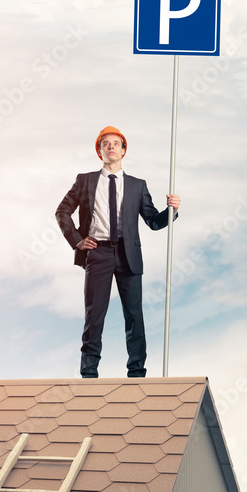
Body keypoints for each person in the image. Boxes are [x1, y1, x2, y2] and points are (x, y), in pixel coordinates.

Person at [55, 126, 180, 378]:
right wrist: (78, 241)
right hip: (97, 254)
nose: (110, 146)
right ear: (99, 151)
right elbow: (62, 211)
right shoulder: (85, 180)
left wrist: (172, 211)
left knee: (134, 316)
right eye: (105, 144)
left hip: (128, 255)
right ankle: (89, 373)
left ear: (124, 150)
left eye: (115, 143)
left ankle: (137, 372)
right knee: (94, 314)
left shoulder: (137, 185)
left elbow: (153, 221)